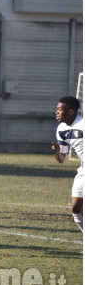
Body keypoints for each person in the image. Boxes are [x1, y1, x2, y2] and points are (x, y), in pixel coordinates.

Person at [51, 96, 83, 232]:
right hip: (83, 171)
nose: (56, 112)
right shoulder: (61, 129)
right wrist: (57, 152)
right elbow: (62, 158)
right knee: (75, 209)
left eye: (60, 109)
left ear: (70, 111)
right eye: (57, 109)